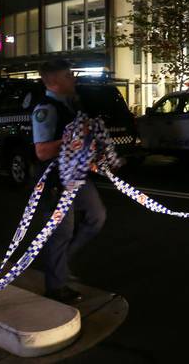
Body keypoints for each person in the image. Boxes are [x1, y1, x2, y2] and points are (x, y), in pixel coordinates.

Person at [32, 60, 107, 303]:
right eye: (67, 75)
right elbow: (42, 151)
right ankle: (56, 287)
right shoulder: (46, 110)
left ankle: (63, 262)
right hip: (56, 181)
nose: (73, 79)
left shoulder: (72, 105)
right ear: (53, 81)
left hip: (78, 175)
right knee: (61, 233)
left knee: (96, 217)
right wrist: (73, 140)